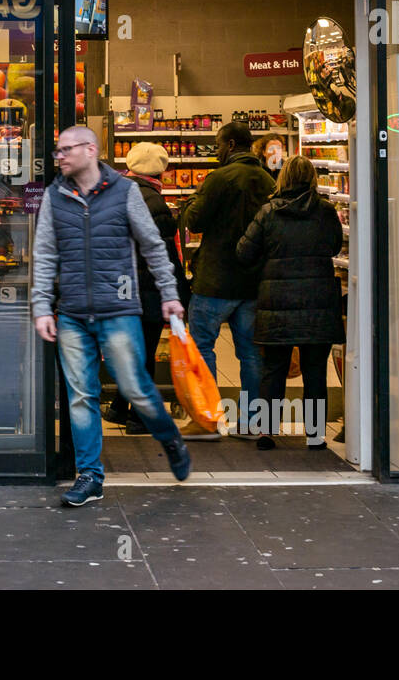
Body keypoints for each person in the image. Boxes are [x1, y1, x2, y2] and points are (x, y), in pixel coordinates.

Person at [32, 126, 191, 506]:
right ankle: (91, 475)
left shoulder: (125, 192)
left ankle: (167, 435)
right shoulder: (56, 197)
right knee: (81, 396)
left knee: (135, 387)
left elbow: (154, 246)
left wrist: (169, 295)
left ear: (91, 150)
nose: (61, 156)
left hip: (118, 310)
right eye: (59, 150)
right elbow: (45, 253)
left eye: (68, 149)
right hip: (71, 312)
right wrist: (41, 305)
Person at [235, 156, 345, 451]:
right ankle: (315, 435)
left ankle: (267, 431)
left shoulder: (268, 212)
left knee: (273, 368)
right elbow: (335, 245)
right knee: (314, 370)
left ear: (283, 178)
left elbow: (244, 252)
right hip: (317, 300)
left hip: (276, 300)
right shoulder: (325, 212)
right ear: (311, 179)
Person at [177, 119, 275, 435]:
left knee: (203, 347)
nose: (217, 150)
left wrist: (191, 200)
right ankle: (251, 422)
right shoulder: (268, 180)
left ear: (230, 144)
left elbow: (196, 221)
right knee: (250, 353)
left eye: (218, 144)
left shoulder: (220, 178)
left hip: (216, 281)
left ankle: (208, 419)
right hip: (253, 282)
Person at [102, 142, 194, 436]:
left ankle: (119, 407)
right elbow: (165, 255)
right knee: (144, 352)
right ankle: (140, 419)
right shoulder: (155, 203)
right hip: (144, 291)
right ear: (161, 172)